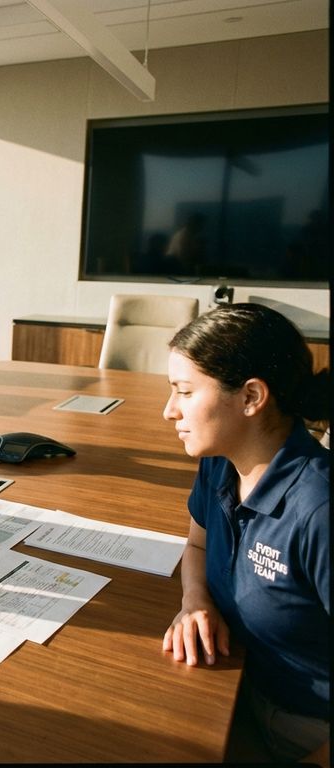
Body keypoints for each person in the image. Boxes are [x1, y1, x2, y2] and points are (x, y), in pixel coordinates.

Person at [161, 302, 329, 763]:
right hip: (238, 690)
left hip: (306, 730)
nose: (168, 411)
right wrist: (194, 601)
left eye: (185, 392)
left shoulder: (319, 510)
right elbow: (198, 542)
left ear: (252, 397)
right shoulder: (220, 462)